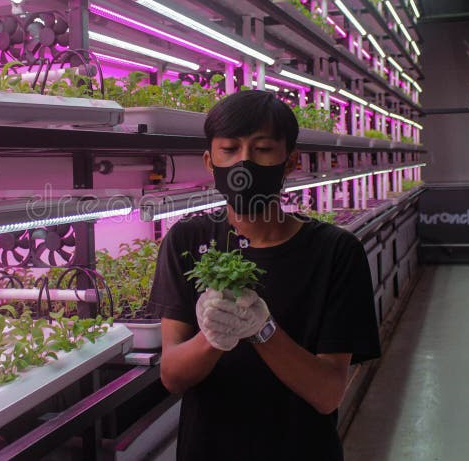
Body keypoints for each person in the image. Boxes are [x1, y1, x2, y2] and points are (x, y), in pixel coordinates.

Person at [148, 90, 381, 460]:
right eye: (230, 149)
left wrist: (262, 329)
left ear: (290, 162)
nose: (244, 163)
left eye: (262, 149)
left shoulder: (335, 252)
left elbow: (327, 394)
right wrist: (214, 337)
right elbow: (173, 376)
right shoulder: (187, 241)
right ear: (210, 161)